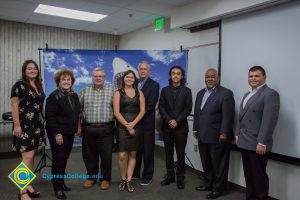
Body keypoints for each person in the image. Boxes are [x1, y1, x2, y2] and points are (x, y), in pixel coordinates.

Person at [237, 66, 280, 200]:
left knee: (259, 177)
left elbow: (269, 121)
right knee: (249, 176)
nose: (253, 78)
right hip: (245, 141)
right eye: (251, 76)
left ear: (264, 78)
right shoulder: (247, 94)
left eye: (257, 76)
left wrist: (262, 142)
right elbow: (242, 117)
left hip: (257, 144)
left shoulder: (270, 94)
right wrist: (238, 134)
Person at [193, 68, 235, 199]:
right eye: (207, 76)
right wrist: (195, 129)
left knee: (219, 164)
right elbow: (197, 113)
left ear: (218, 78)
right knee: (206, 163)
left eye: (212, 76)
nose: (209, 78)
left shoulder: (226, 93)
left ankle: (219, 189)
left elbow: (228, 116)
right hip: (202, 135)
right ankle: (208, 184)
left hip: (218, 136)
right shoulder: (200, 93)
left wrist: (224, 132)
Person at [11, 60, 45, 200]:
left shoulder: (38, 85)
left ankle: (28, 184)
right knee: (27, 158)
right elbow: (14, 105)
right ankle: (22, 192)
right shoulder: (19, 85)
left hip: (37, 126)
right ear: (24, 71)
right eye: (29, 68)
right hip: (24, 125)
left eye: (35, 68)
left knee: (31, 158)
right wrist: (17, 125)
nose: (32, 70)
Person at [45, 69, 81, 200]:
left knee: (64, 159)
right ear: (58, 82)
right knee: (58, 160)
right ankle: (57, 187)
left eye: (68, 79)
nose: (66, 82)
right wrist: (56, 134)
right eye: (63, 79)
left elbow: (77, 114)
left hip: (70, 133)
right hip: (58, 134)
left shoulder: (74, 95)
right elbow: (50, 118)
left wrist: (78, 128)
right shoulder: (54, 96)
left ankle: (61, 182)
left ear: (72, 82)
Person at [79, 67, 114, 190]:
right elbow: (79, 110)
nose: (98, 78)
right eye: (95, 76)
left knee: (106, 155)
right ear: (92, 77)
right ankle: (91, 177)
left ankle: (105, 179)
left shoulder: (112, 91)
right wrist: (78, 127)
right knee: (89, 155)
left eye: (101, 76)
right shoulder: (84, 91)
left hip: (106, 129)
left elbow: (117, 111)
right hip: (88, 128)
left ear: (104, 78)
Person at [158, 65, 192, 189]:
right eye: (173, 73)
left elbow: (188, 108)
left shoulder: (187, 91)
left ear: (182, 76)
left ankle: (180, 177)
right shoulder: (164, 90)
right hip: (167, 127)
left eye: (178, 73)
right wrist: (169, 120)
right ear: (170, 76)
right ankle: (170, 175)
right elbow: (161, 107)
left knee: (180, 153)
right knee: (168, 153)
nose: (176, 75)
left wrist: (177, 121)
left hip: (181, 128)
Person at [113, 70, 145, 192]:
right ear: (124, 79)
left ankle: (129, 179)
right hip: (122, 127)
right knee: (122, 155)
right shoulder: (118, 93)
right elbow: (116, 112)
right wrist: (127, 125)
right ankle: (123, 178)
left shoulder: (139, 93)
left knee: (133, 154)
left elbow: (142, 111)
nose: (129, 79)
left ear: (134, 79)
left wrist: (133, 124)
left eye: (132, 77)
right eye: (127, 77)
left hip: (136, 126)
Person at [133, 61, 159, 186]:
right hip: (134, 125)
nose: (143, 71)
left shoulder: (154, 85)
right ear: (138, 71)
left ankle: (147, 175)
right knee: (135, 150)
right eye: (141, 69)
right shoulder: (133, 83)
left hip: (147, 124)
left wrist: (134, 115)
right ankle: (135, 173)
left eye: (145, 69)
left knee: (148, 151)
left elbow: (150, 105)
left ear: (149, 71)